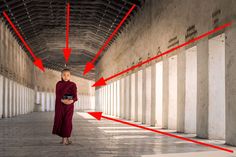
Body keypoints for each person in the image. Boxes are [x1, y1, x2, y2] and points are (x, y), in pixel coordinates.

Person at [52, 68, 78, 145]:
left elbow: (75, 96)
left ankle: (66, 138)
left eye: (68, 75)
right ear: (61, 75)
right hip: (60, 106)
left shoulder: (73, 84)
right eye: (64, 75)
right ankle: (64, 139)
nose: (66, 77)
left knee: (67, 122)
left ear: (70, 76)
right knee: (61, 121)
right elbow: (58, 95)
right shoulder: (59, 84)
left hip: (69, 106)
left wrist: (72, 100)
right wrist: (62, 100)